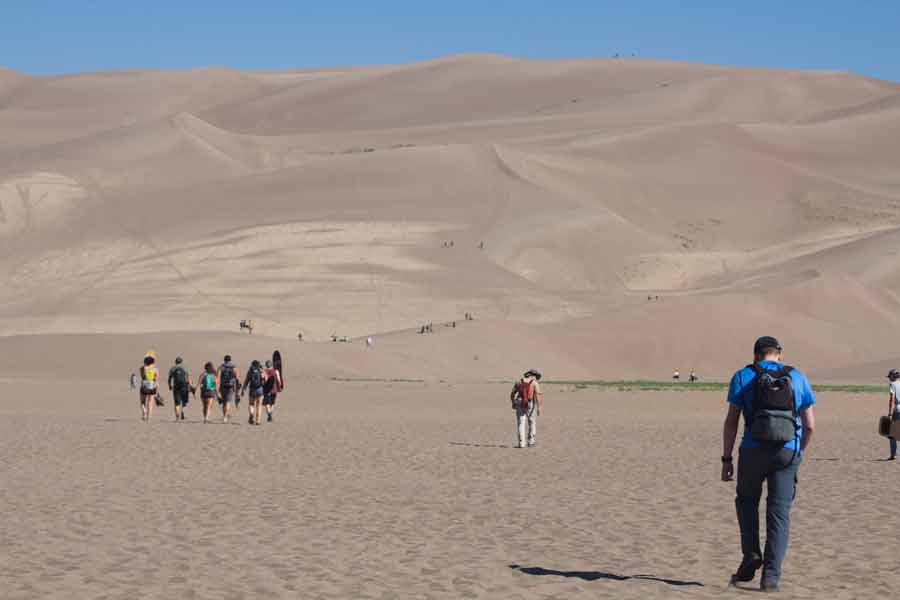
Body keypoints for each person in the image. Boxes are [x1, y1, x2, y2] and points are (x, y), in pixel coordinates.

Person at [721, 336, 816, 592]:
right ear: (779, 354)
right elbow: (810, 426)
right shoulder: (797, 377)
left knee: (747, 501)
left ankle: (751, 553)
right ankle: (771, 577)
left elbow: (732, 421)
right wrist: (798, 454)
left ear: (756, 355)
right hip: (787, 451)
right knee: (779, 512)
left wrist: (727, 458)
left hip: (752, 451)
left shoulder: (743, 376)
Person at [510, 370, 543, 448]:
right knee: (532, 422)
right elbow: (538, 395)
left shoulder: (518, 382)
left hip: (519, 402)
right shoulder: (534, 383)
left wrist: (513, 402)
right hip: (529, 403)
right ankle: (531, 442)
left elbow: (512, 394)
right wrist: (539, 407)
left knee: (521, 423)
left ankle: (521, 443)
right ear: (533, 375)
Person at [167, 356, 193, 421]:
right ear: (181, 362)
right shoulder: (185, 368)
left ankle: (177, 416)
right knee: (184, 401)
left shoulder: (172, 368)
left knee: (177, 402)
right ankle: (183, 412)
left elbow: (169, 378)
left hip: (176, 386)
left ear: (175, 362)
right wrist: (190, 386)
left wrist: (170, 386)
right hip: (184, 386)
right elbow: (188, 378)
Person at [217, 355, 241, 424]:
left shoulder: (221, 367)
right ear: (230, 360)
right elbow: (237, 378)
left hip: (222, 386)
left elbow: (217, 378)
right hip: (230, 386)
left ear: (224, 360)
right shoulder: (234, 367)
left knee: (224, 402)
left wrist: (217, 386)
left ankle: (224, 416)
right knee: (228, 402)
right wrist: (238, 387)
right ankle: (225, 416)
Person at [242, 359, 265, 425]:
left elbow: (246, 381)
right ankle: (258, 421)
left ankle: (251, 414)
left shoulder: (250, 371)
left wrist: (243, 389)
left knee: (251, 404)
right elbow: (265, 380)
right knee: (259, 405)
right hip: (260, 389)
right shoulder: (261, 371)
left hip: (252, 389)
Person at [139, 353, 160, 422]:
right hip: (152, 386)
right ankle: (148, 418)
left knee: (142, 401)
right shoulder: (155, 369)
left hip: (144, 386)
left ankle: (144, 411)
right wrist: (157, 391)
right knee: (150, 403)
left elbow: (142, 377)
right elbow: (157, 381)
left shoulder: (142, 368)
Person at [886, 369, 900, 460]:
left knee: (892, 433)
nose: (889, 378)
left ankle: (893, 454)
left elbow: (892, 398)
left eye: (890, 376)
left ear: (893, 376)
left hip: (897, 410)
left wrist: (890, 412)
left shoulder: (892, 384)